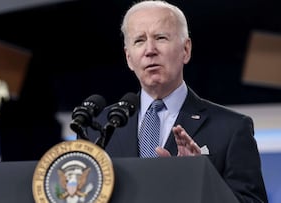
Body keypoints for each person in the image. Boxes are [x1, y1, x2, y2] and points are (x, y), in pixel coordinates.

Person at [84, 1, 268, 202]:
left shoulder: (231, 128)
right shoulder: (98, 127)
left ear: (185, 50)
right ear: (129, 58)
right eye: (139, 41)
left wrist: (199, 178)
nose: (150, 50)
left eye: (160, 38)